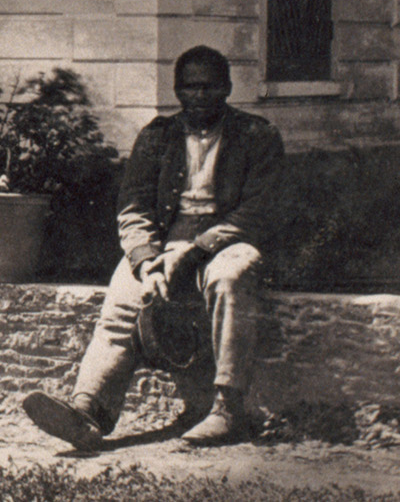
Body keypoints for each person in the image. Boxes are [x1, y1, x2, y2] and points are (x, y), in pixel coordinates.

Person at [22, 44, 285, 449]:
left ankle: (228, 410)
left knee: (230, 279)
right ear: (177, 91)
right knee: (125, 296)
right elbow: (133, 208)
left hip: (228, 238)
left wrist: (196, 249)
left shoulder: (257, 135)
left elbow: (259, 209)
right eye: (189, 87)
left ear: (227, 88)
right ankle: (88, 412)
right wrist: (147, 262)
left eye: (209, 87)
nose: (198, 96)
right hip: (165, 240)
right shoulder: (157, 136)